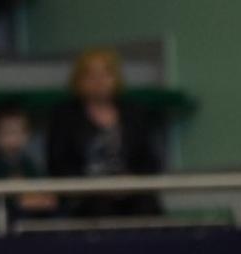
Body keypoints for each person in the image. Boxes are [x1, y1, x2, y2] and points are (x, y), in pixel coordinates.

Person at [47, 47, 162, 217]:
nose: (99, 81)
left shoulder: (134, 113)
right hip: (86, 194)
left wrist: (132, 181)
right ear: (78, 80)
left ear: (116, 78)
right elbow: (58, 163)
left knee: (146, 205)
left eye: (106, 74)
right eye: (91, 75)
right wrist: (95, 186)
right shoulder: (65, 116)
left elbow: (149, 159)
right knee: (98, 207)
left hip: (130, 189)